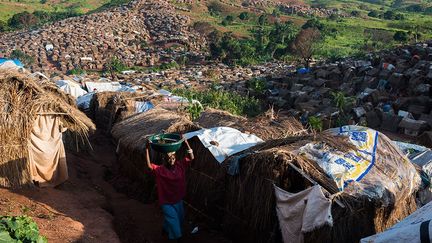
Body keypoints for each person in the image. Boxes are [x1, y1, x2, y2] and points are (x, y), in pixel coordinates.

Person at [145, 135, 194, 242]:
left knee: (179, 220)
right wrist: (147, 149)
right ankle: (176, 238)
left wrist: (186, 143)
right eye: (168, 159)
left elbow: (191, 157)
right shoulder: (160, 170)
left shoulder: (180, 166)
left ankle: (165, 229)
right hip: (166, 202)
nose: (171, 160)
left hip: (178, 200)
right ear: (164, 160)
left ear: (175, 158)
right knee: (175, 222)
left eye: (172, 158)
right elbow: (149, 165)